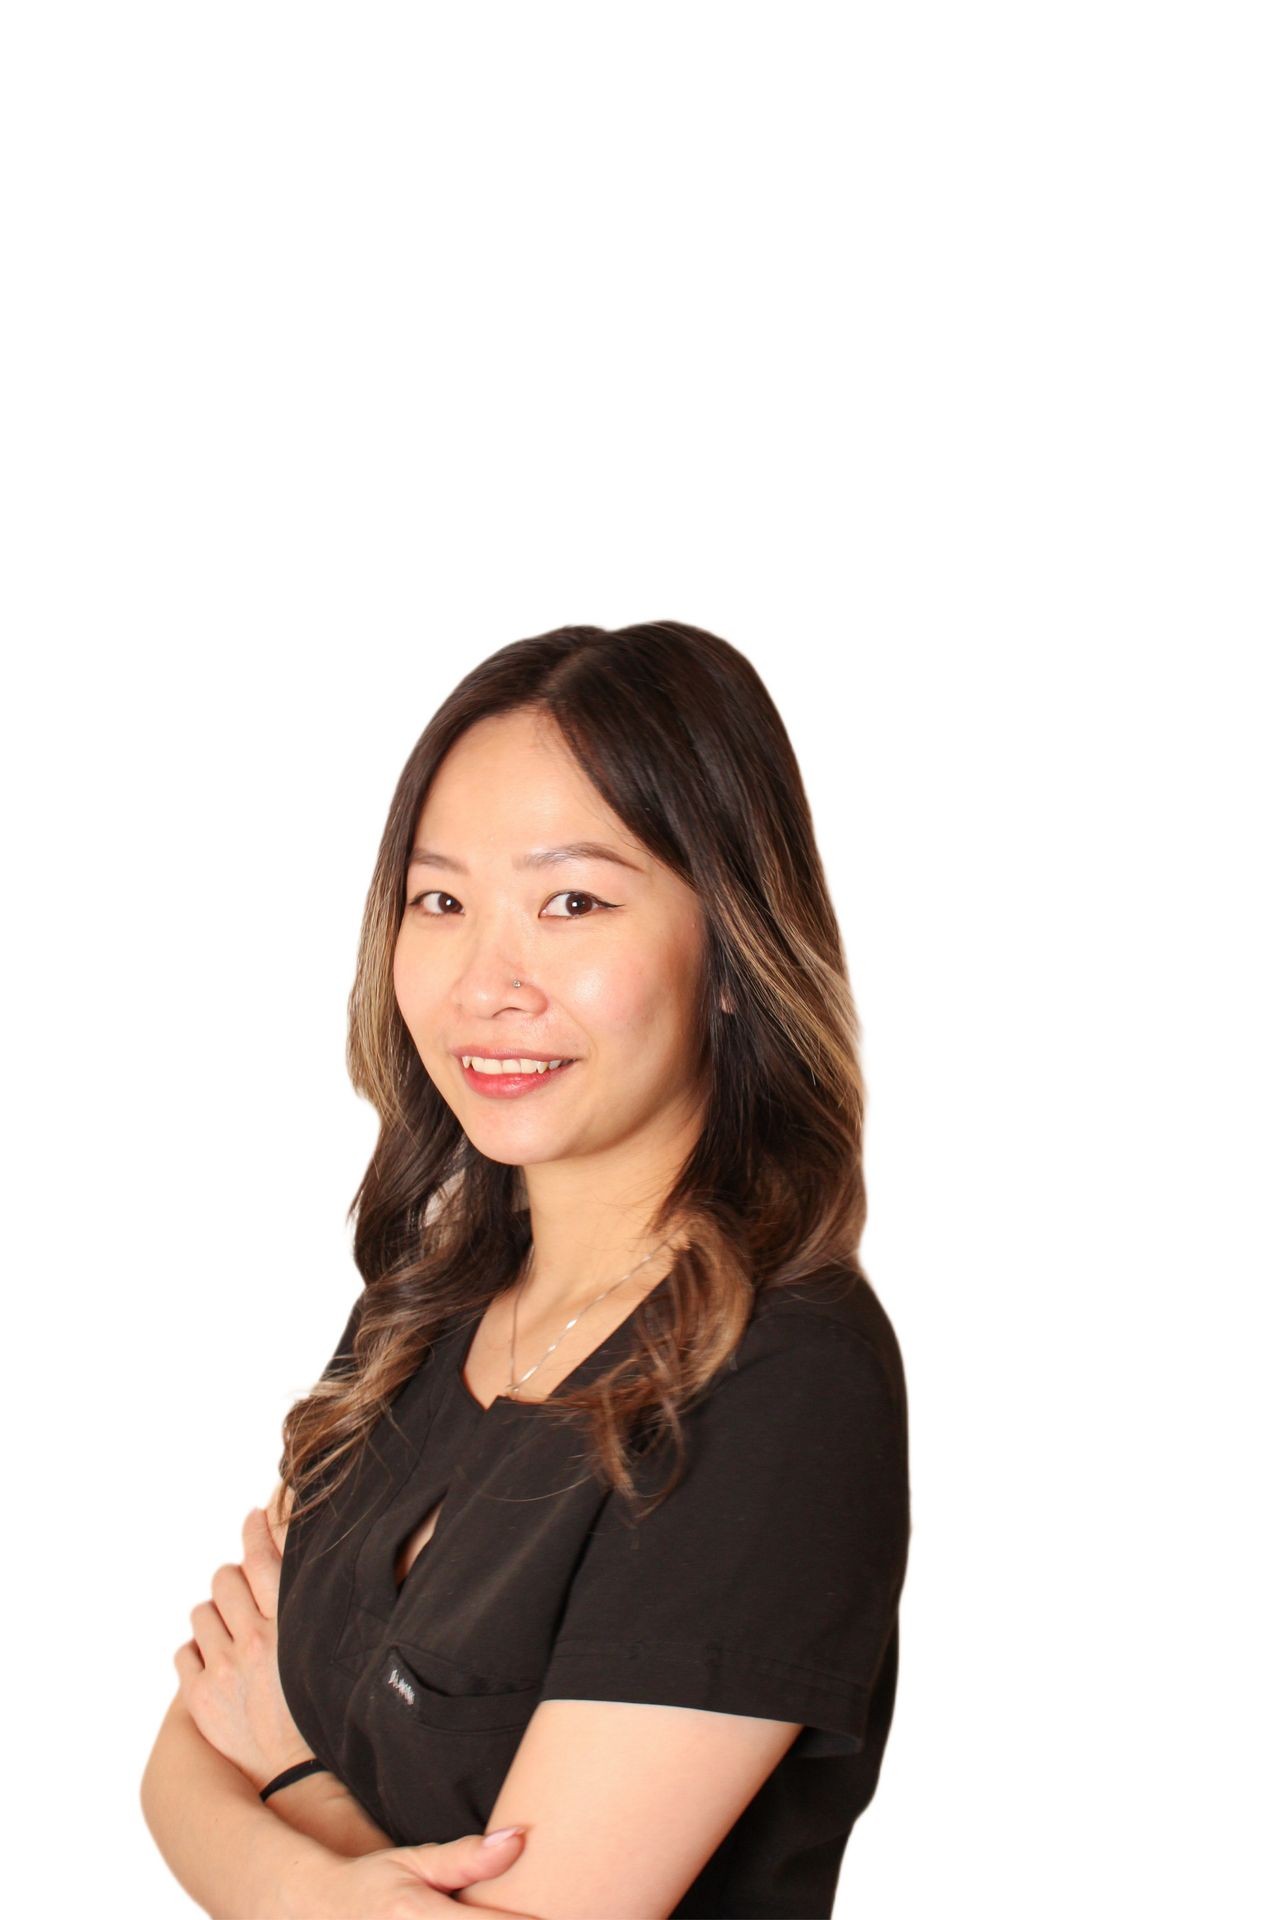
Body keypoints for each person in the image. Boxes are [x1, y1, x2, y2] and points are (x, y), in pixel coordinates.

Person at [140, 620, 912, 1920]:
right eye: (440, 901)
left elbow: (254, 1750)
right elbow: (183, 1748)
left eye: (573, 903)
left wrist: (292, 1788)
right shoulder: (424, 1304)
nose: (485, 982)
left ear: (728, 948)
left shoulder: (779, 1381)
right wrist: (309, 1860)